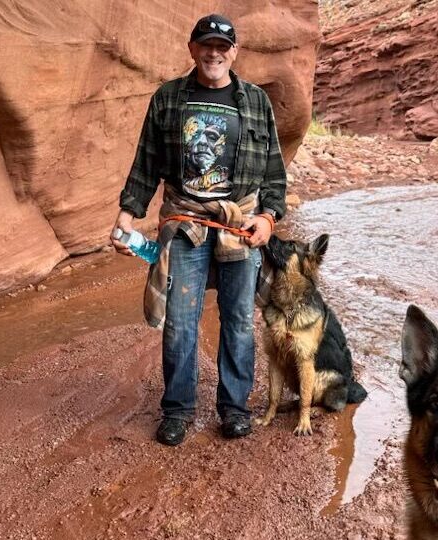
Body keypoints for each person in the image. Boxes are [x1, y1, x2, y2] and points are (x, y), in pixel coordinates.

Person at [111, 13, 287, 446]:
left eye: (223, 46)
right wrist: (127, 215)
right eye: (206, 45)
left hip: (239, 225)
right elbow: (146, 161)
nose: (214, 53)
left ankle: (234, 408)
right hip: (186, 221)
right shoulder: (169, 98)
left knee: (240, 321)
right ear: (193, 49)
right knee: (180, 322)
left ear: (234, 53)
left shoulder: (256, 102)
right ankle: (178, 410)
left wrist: (267, 217)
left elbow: (274, 172)